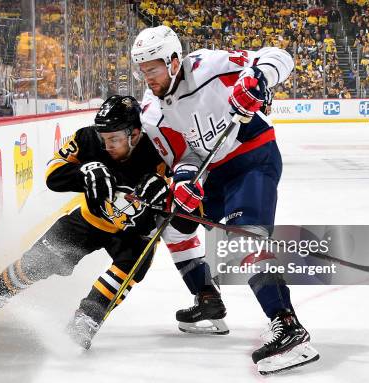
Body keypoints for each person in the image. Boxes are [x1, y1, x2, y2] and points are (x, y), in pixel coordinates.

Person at [0, 95, 225, 349]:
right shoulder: (88, 139)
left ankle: (85, 322)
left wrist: (169, 194)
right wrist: (83, 172)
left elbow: (189, 220)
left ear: (135, 135)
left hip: (136, 236)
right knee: (35, 263)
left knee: (119, 279)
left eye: (114, 139)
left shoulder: (160, 150)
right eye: (104, 138)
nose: (107, 145)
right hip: (88, 221)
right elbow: (52, 176)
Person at [131, 25, 319, 374]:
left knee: (244, 241)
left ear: (173, 61)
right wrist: (185, 179)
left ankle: (288, 325)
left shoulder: (208, 65)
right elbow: (184, 154)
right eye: (142, 71)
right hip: (218, 173)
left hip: (253, 157)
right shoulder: (153, 110)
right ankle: (207, 299)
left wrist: (258, 79)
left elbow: (279, 56)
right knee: (178, 225)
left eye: (153, 68)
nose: (148, 77)